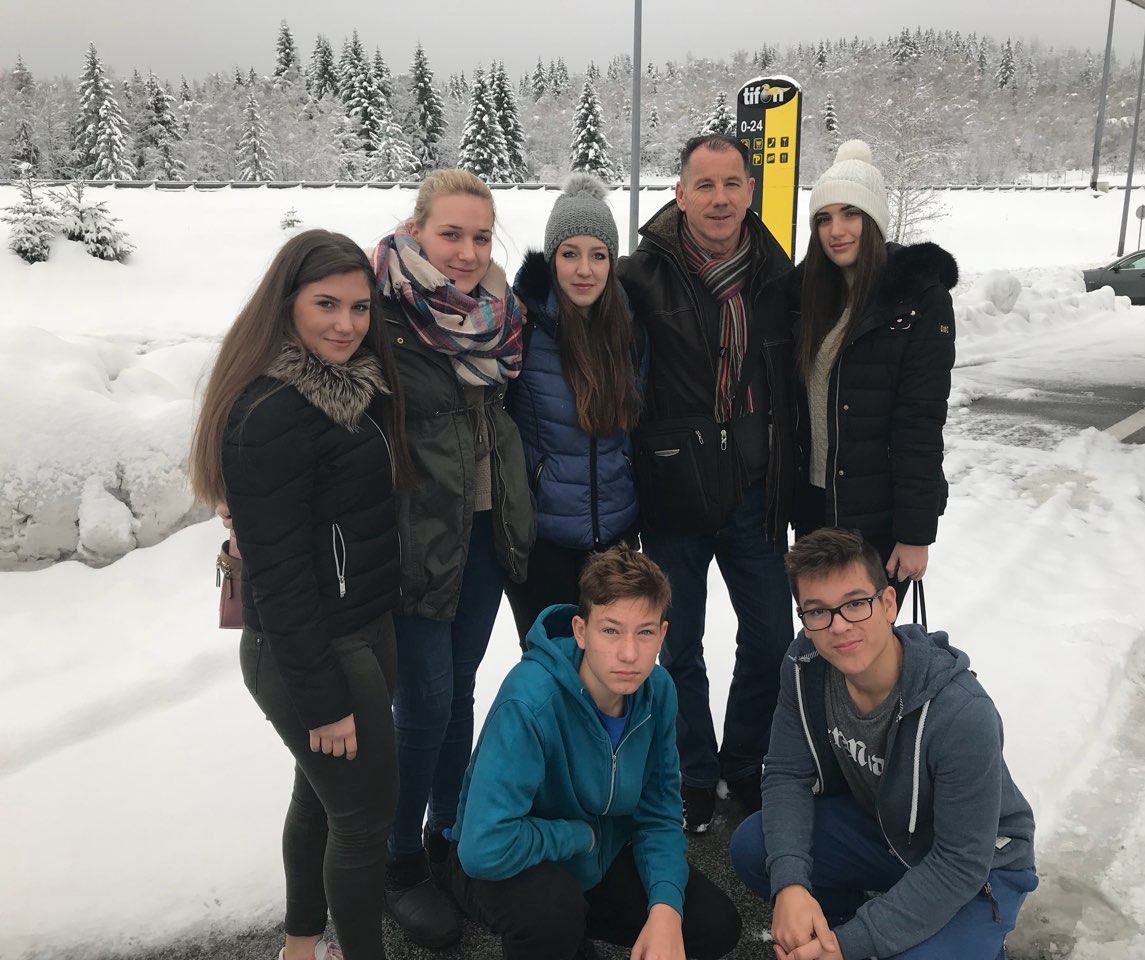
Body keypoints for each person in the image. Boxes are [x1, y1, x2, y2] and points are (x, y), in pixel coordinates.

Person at [189, 229, 413, 960]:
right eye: (326, 305)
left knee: (323, 800)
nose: (346, 324)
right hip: (315, 650)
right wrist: (322, 698)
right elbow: (280, 575)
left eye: (359, 307)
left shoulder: (350, 390)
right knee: (363, 820)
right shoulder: (272, 413)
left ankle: (300, 946)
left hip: (360, 627)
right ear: (286, 304)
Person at [729, 527, 1038, 960]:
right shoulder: (805, 667)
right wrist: (791, 885)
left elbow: (959, 863)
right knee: (755, 847)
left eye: (856, 603)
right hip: (887, 831)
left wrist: (851, 945)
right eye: (817, 611)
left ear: (889, 604)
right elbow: (786, 774)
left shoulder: (962, 712)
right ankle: (839, 926)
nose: (839, 626)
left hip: (981, 866)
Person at [369, 169, 537, 949]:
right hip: (414, 539)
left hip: (482, 534)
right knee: (425, 700)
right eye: (450, 235)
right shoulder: (381, 314)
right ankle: (398, 859)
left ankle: (447, 837)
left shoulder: (502, 314)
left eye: (480, 236)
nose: (467, 253)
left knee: (459, 690)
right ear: (416, 231)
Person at [618, 133, 795, 834]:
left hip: (753, 490)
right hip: (675, 494)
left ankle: (746, 762)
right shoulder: (640, 278)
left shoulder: (778, 276)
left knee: (772, 637)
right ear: (680, 194)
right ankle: (692, 771)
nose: (719, 199)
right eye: (705, 185)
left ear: (750, 191)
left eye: (731, 184)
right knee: (677, 644)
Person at [445, 545, 743, 960]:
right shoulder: (530, 700)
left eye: (644, 632)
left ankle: (574, 930)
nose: (629, 654)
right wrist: (576, 836)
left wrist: (665, 909)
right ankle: (562, 932)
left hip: (598, 855)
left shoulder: (657, 691)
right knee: (552, 915)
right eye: (611, 631)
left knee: (714, 924)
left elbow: (658, 814)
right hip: (506, 861)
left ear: (662, 634)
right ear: (581, 631)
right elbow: (483, 846)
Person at [791, 139, 957, 604]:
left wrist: (915, 532)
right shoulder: (806, 295)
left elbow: (920, 422)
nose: (836, 230)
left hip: (878, 517)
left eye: (851, 214)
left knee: (866, 638)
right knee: (821, 629)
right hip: (814, 508)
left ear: (875, 219)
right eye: (824, 218)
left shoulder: (917, 299)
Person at [504, 172, 645, 644]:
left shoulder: (630, 328)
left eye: (598, 255)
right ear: (551, 258)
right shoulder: (523, 326)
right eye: (570, 254)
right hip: (543, 545)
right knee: (553, 668)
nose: (584, 269)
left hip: (617, 541)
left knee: (614, 669)